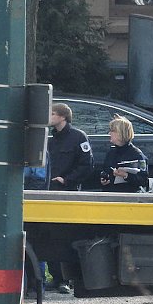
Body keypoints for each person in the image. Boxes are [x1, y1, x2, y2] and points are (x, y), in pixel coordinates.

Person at [46, 102, 93, 293]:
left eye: (52, 113)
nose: (49, 117)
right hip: (50, 192)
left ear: (62, 117)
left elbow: (86, 165)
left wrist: (66, 180)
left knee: (65, 235)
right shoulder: (50, 139)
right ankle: (56, 277)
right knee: (50, 235)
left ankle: (66, 279)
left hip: (68, 192)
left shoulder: (78, 137)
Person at [99, 115, 148, 193]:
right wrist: (105, 179)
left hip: (128, 198)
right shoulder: (111, 152)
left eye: (112, 131)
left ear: (120, 133)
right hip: (110, 196)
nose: (109, 133)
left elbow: (143, 180)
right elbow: (105, 171)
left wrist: (126, 175)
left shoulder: (137, 155)